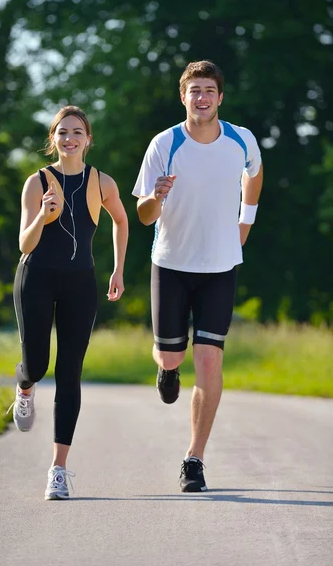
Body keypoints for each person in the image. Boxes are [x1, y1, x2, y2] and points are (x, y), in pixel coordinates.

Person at [132, 60, 263, 492]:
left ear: (220, 97)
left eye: (209, 90)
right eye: (194, 90)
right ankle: (168, 370)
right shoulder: (164, 143)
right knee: (171, 355)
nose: (202, 97)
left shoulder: (241, 140)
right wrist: (155, 196)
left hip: (221, 266)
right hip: (170, 265)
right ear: (183, 96)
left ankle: (194, 459)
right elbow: (145, 216)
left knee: (209, 358)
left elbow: (255, 174)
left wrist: (245, 224)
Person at [11, 105, 128, 500]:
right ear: (53, 139)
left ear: (88, 139)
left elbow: (121, 220)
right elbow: (24, 245)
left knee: (70, 372)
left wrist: (117, 269)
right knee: (39, 366)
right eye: (62, 132)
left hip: (81, 283)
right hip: (36, 278)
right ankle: (24, 385)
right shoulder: (37, 182)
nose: (70, 138)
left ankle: (58, 469)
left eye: (77, 132)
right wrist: (43, 216)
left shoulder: (102, 182)